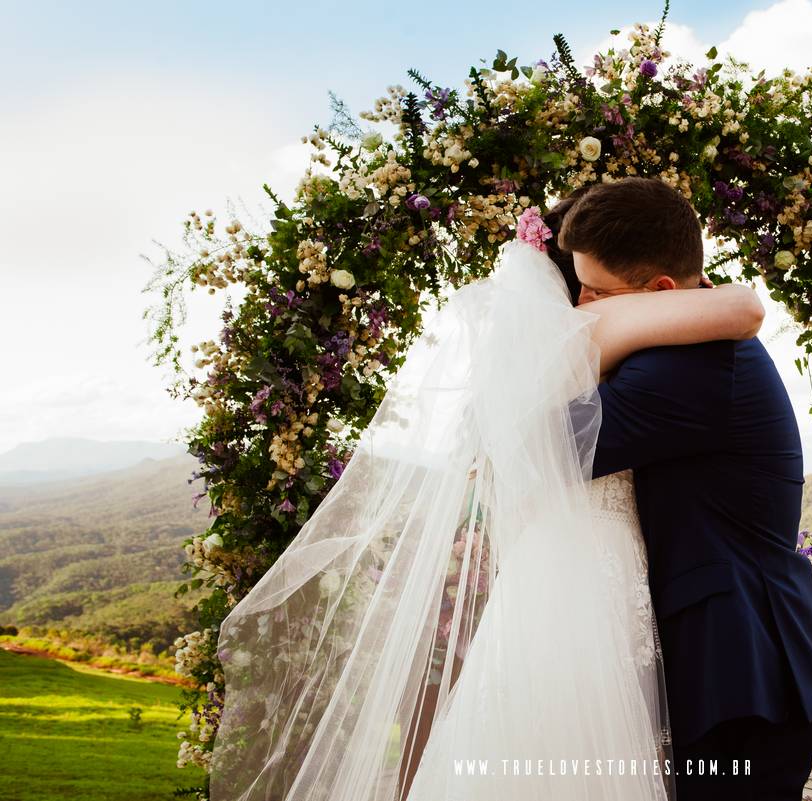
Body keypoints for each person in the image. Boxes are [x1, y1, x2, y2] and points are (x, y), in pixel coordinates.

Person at [208, 184, 765, 801]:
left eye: (597, 291)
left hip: (559, 575)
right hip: (582, 579)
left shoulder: (556, 351)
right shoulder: (589, 333)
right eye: (580, 287)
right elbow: (742, 310)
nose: (586, 301)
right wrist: (718, 294)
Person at [558, 176, 812, 801]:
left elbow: (546, 445)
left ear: (659, 292)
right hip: (739, 667)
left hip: (741, 676)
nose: (581, 304)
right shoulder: (699, 341)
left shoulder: (690, 366)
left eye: (596, 293)